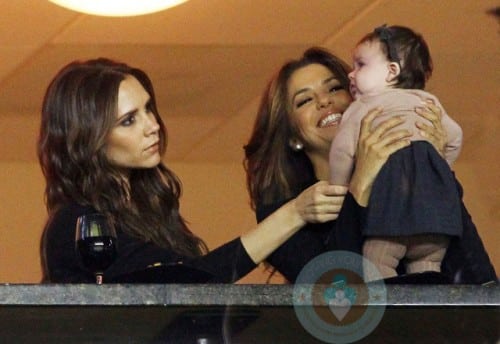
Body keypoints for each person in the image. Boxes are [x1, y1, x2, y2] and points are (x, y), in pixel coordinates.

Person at [38, 58, 335, 284]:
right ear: (89, 139)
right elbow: (191, 280)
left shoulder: (149, 213)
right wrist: (295, 212)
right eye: (129, 120)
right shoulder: (75, 225)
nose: (152, 126)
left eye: (148, 109)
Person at [244, 47, 497, 284]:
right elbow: (337, 291)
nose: (324, 101)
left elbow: (480, 281)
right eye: (304, 101)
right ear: (293, 137)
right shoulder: (285, 215)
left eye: (333, 89)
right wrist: (360, 184)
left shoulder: (404, 179)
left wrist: (433, 165)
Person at [329, 25, 464, 279]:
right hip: (436, 221)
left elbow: (342, 150)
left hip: (390, 217)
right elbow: (455, 137)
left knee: (377, 264)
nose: (350, 73)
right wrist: (439, 169)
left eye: (360, 65)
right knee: (427, 269)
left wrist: (339, 186)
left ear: (392, 71)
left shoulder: (364, 107)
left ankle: (391, 317)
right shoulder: (429, 103)